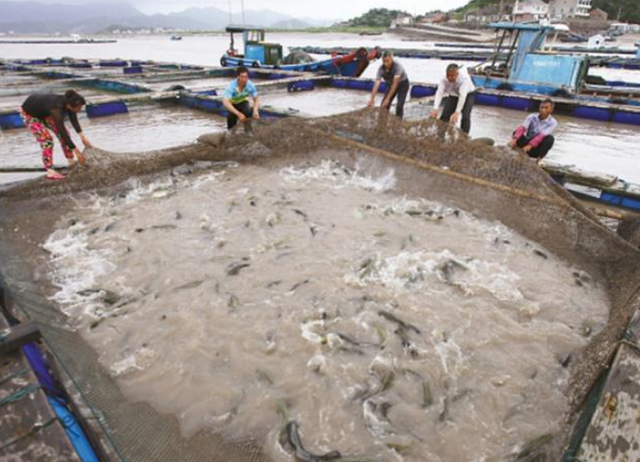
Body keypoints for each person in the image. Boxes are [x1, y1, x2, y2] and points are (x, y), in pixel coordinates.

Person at [21, 90, 91, 180]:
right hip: (30, 113)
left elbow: (73, 119)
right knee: (47, 140)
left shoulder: (69, 102)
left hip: (44, 110)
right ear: (70, 105)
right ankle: (50, 170)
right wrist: (77, 151)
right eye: (79, 108)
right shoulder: (56, 110)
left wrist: (82, 136)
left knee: (67, 134)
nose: (80, 109)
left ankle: (70, 161)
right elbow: (61, 131)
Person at [431, 64, 476, 134]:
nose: (450, 78)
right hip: (453, 95)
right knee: (445, 115)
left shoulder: (464, 79)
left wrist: (457, 112)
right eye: (448, 75)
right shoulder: (444, 80)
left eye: (452, 76)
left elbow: (462, 96)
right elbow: (439, 93)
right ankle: (439, 137)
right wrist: (435, 108)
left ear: (457, 74)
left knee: (465, 116)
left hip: (468, 94)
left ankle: (464, 137)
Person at [368, 51, 410, 119]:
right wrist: (372, 99)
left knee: (399, 106)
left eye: (388, 61)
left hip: (403, 84)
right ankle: (382, 124)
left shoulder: (398, 66)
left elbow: (395, 84)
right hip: (390, 84)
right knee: (383, 105)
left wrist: (388, 99)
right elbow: (376, 84)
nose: (386, 63)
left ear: (392, 59)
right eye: (384, 61)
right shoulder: (381, 69)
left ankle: (398, 123)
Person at [223, 66, 260, 132]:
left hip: (243, 103)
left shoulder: (250, 85)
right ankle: (231, 133)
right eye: (242, 77)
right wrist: (238, 114)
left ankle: (248, 131)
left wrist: (255, 110)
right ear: (238, 77)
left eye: (246, 77)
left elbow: (256, 99)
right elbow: (225, 102)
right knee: (231, 117)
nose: (244, 79)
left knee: (248, 111)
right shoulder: (231, 86)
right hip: (233, 104)